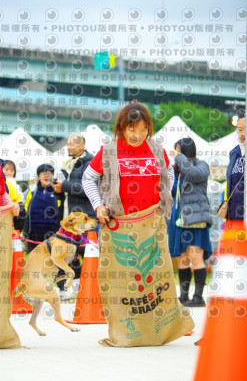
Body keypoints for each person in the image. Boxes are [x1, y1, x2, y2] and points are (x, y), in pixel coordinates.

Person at [82, 101, 194, 347]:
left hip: (151, 223)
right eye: (132, 129)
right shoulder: (110, 150)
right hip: (118, 224)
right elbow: (88, 178)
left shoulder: (156, 149)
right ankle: (128, 330)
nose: (138, 135)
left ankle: (161, 327)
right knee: (124, 280)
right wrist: (99, 205)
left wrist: (164, 195)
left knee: (156, 276)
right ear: (121, 127)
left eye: (143, 129)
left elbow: (169, 174)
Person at [168, 137, 212, 307]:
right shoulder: (177, 171)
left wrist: (179, 158)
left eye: (177, 151)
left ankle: (198, 297)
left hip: (195, 219)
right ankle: (184, 296)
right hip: (178, 220)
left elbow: (195, 175)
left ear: (183, 151)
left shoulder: (201, 166)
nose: (175, 156)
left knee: (196, 256)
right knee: (182, 258)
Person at [52, 133, 96, 219]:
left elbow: (90, 190)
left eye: (72, 144)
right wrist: (58, 189)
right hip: (66, 212)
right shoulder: (66, 164)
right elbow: (65, 190)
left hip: (83, 216)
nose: (68, 147)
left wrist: (64, 185)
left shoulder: (90, 163)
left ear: (82, 146)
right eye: (67, 145)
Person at [23, 164, 58, 254]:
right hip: (34, 235)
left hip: (53, 235)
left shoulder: (59, 193)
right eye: (43, 173)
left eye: (49, 173)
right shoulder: (32, 193)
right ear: (38, 177)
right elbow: (27, 215)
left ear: (53, 176)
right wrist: (25, 233)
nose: (46, 176)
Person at [225, 111, 246, 220]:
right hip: (234, 216)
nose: (242, 134)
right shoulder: (234, 153)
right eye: (239, 130)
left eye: (245, 129)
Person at [3, 160, 26, 231]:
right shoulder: (2, 181)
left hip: (16, 214)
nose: (9, 172)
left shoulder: (16, 185)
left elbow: (20, 199)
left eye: (12, 170)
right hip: (5, 214)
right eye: (6, 170)